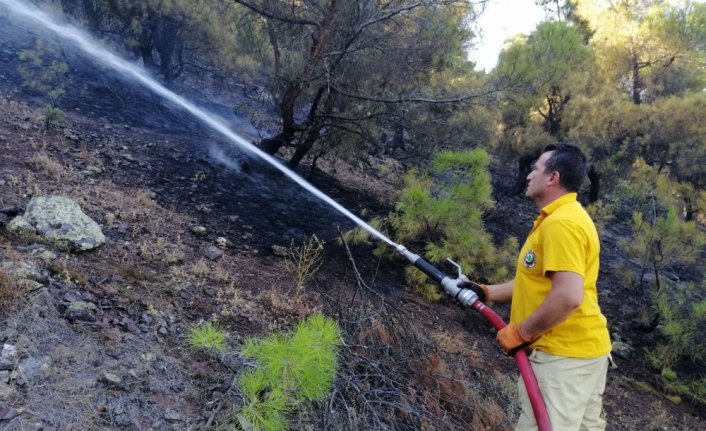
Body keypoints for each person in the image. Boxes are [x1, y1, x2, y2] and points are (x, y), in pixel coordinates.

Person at [463, 143, 612, 430]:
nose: (529, 175)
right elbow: (538, 281)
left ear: (552, 178)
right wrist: (487, 292)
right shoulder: (564, 217)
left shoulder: (561, 224)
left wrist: (522, 332)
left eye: (535, 169)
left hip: (563, 360)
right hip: (584, 354)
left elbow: (568, 296)